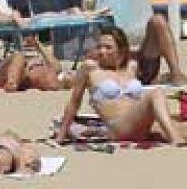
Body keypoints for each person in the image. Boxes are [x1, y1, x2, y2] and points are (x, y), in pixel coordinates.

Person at [55, 26, 185, 145]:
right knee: (156, 92)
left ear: (121, 50)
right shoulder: (90, 68)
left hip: (139, 125)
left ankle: (174, 134)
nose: (101, 51)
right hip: (117, 128)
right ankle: (175, 139)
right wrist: (60, 137)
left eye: (108, 47)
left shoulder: (131, 67)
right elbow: (74, 103)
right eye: (99, 47)